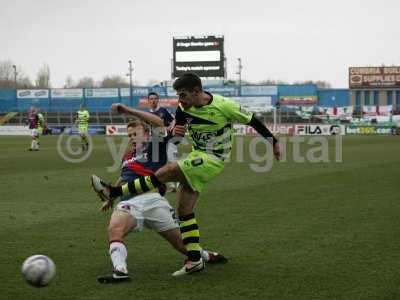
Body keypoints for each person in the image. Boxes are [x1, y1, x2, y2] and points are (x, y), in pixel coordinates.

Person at [92, 73, 281, 276]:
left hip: (214, 157)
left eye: (183, 95)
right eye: (178, 96)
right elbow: (175, 132)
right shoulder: (184, 107)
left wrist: (274, 143)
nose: (180, 101)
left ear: (196, 92)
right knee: (184, 210)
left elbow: (252, 121)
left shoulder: (224, 106)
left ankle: (114, 191)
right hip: (197, 154)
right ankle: (194, 260)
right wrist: (175, 135)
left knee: (167, 171)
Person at [93, 105, 227, 283]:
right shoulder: (128, 155)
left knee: (180, 244)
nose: (132, 138)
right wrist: (112, 196)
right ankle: (120, 270)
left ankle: (205, 256)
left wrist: (129, 111)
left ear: (147, 134)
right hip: (130, 202)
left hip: (154, 201)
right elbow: (123, 177)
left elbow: (158, 122)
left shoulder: (156, 145)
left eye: (136, 134)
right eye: (130, 135)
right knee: (115, 229)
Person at [147, 92, 178, 192]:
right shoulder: (147, 114)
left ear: (158, 100)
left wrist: (169, 128)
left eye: (155, 98)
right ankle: (165, 184)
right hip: (155, 142)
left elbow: (173, 121)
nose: (153, 101)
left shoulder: (163, 111)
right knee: (158, 164)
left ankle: (176, 182)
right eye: (151, 99)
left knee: (171, 161)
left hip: (167, 140)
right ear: (148, 101)